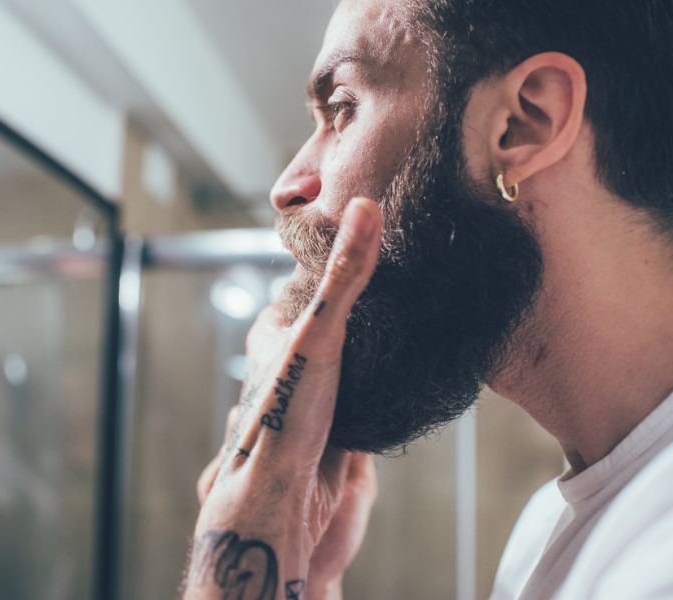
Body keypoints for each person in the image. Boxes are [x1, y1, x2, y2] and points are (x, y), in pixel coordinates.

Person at [182, 0, 673, 597]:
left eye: (341, 108)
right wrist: (299, 572)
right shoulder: (550, 524)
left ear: (523, 123)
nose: (287, 186)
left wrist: (238, 534)